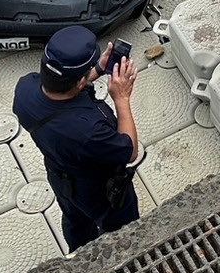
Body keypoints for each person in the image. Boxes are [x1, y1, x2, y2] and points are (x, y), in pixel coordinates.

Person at [12, 27, 141, 252]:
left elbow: (61, 89)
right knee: (124, 230)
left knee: (75, 219)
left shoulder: (25, 88)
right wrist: (121, 98)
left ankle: (79, 253)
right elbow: (130, 151)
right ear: (80, 82)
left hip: (60, 178)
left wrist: (98, 69)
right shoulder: (89, 131)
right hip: (98, 191)